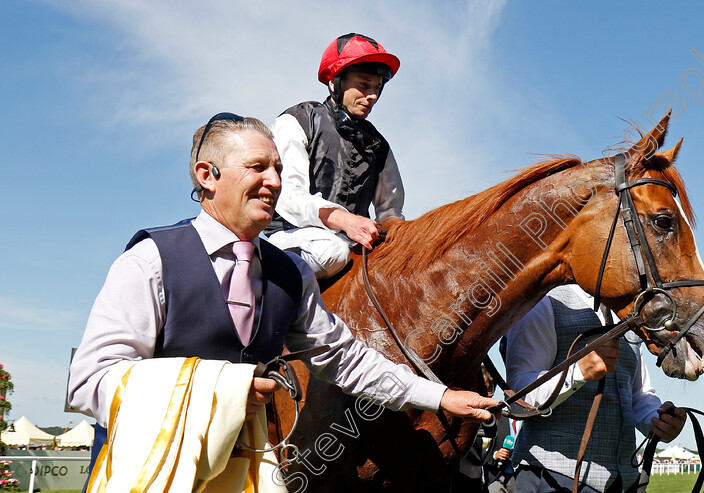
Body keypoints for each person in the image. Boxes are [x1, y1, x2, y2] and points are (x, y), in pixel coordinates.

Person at [67, 113, 497, 489]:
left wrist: (438, 396)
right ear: (206, 175)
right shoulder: (150, 261)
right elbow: (90, 382)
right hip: (151, 473)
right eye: (258, 167)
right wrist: (222, 389)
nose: (275, 181)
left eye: (277, 167)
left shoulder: (292, 273)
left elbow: (346, 359)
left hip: (247, 476)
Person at [502, 285, 686, 493]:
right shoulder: (543, 301)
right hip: (553, 478)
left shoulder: (628, 313)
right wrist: (578, 372)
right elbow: (520, 395)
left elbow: (637, 395)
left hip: (624, 481)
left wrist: (658, 421)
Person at [265, 33, 404, 278]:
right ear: (335, 81)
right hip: (295, 237)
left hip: (352, 242)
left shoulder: (379, 145)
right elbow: (287, 195)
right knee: (332, 251)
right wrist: (342, 219)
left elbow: (391, 213)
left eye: (377, 88)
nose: (372, 95)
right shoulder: (298, 120)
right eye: (363, 84)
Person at [453, 366, 517, 493]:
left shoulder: (502, 419)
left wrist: (496, 455)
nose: (485, 393)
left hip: (492, 480)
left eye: (489, 389)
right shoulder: (461, 418)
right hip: (461, 480)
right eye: (480, 388)